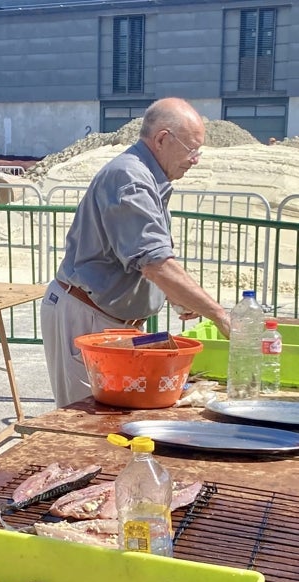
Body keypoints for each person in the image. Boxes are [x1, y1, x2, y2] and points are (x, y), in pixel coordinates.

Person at [40, 98, 231, 408]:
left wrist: (172, 293)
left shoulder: (148, 177)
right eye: (191, 149)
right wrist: (220, 315)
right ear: (162, 139)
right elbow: (155, 263)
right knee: (88, 427)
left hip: (106, 317)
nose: (195, 159)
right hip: (87, 316)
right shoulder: (130, 178)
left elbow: (138, 257)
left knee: (115, 427)